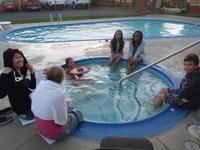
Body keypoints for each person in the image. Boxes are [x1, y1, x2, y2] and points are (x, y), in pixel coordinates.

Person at [31, 66, 83, 141]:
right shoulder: (58, 94)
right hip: (55, 134)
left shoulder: (40, 86)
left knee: (68, 107)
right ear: (62, 79)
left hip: (40, 128)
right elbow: (62, 121)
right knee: (78, 112)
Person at [0, 48, 36, 120]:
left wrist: (32, 71)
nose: (20, 59)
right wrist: (3, 76)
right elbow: (1, 94)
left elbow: (32, 86)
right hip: (23, 111)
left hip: (29, 105)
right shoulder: (9, 75)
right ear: (10, 60)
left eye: (21, 56)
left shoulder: (21, 72)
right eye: (16, 57)